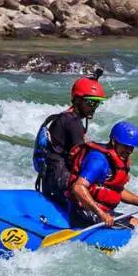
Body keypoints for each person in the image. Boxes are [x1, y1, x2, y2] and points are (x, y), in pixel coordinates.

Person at [33, 69, 107, 205]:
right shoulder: (72, 122)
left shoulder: (65, 117)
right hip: (59, 181)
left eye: (97, 103)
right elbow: (80, 158)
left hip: (50, 180)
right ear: (78, 100)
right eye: (90, 102)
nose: (94, 107)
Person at [67, 121, 138, 228]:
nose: (129, 151)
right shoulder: (98, 160)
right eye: (125, 146)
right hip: (84, 212)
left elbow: (116, 191)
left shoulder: (116, 160)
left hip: (103, 213)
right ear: (114, 142)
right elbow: (78, 187)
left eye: (131, 148)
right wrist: (101, 214)